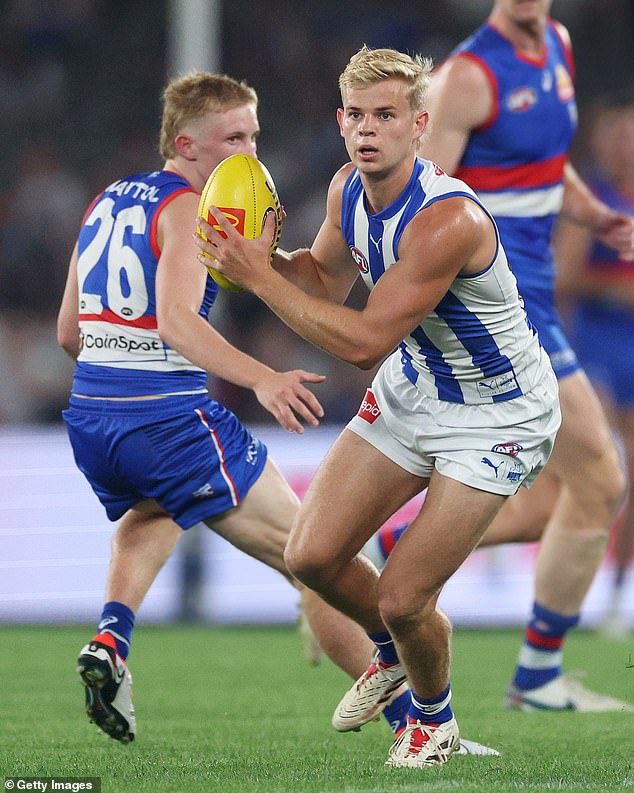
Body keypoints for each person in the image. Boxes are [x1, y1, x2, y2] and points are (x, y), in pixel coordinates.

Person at [196, 45, 561, 768]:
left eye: (386, 115)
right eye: (357, 116)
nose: (369, 130)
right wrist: (260, 257)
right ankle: (398, 651)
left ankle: (434, 722)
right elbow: (323, 282)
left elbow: (361, 340)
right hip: (417, 385)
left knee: (401, 597)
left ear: (419, 126)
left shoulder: (446, 220)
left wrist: (260, 283)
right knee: (311, 555)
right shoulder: (344, 192)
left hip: (497, 415)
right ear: (340, 122)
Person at [56, 70, 391, 745]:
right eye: (232, 138)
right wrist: (263, 377)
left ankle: (111, 639)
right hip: (167, 419)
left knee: (153, 511)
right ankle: (418, 722)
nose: (248, 153)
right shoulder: (186, 208)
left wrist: (123, 369)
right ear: (185, 145)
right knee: (315, 559)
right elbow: (179, 322)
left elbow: (70, 332)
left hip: (91, 416)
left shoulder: (107, 200)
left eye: (254, 136)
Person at [391, 0, 634, 712]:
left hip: (536, 297)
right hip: (501, 301)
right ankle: (535, 674)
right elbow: (417, 201)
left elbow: (543, 162)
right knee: (602, 472)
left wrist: (589, 212)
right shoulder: (467, 76)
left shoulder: (555, 45)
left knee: (564, 497)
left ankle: (396, 547)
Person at [555, 96, 634, 639]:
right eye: (614, 136)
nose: (622, 147)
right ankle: (570, 594)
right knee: (601, 468)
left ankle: (616, 596)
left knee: (627, 480)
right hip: (598, 346)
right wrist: (615, 287)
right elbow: (563, 276)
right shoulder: (593, 201)